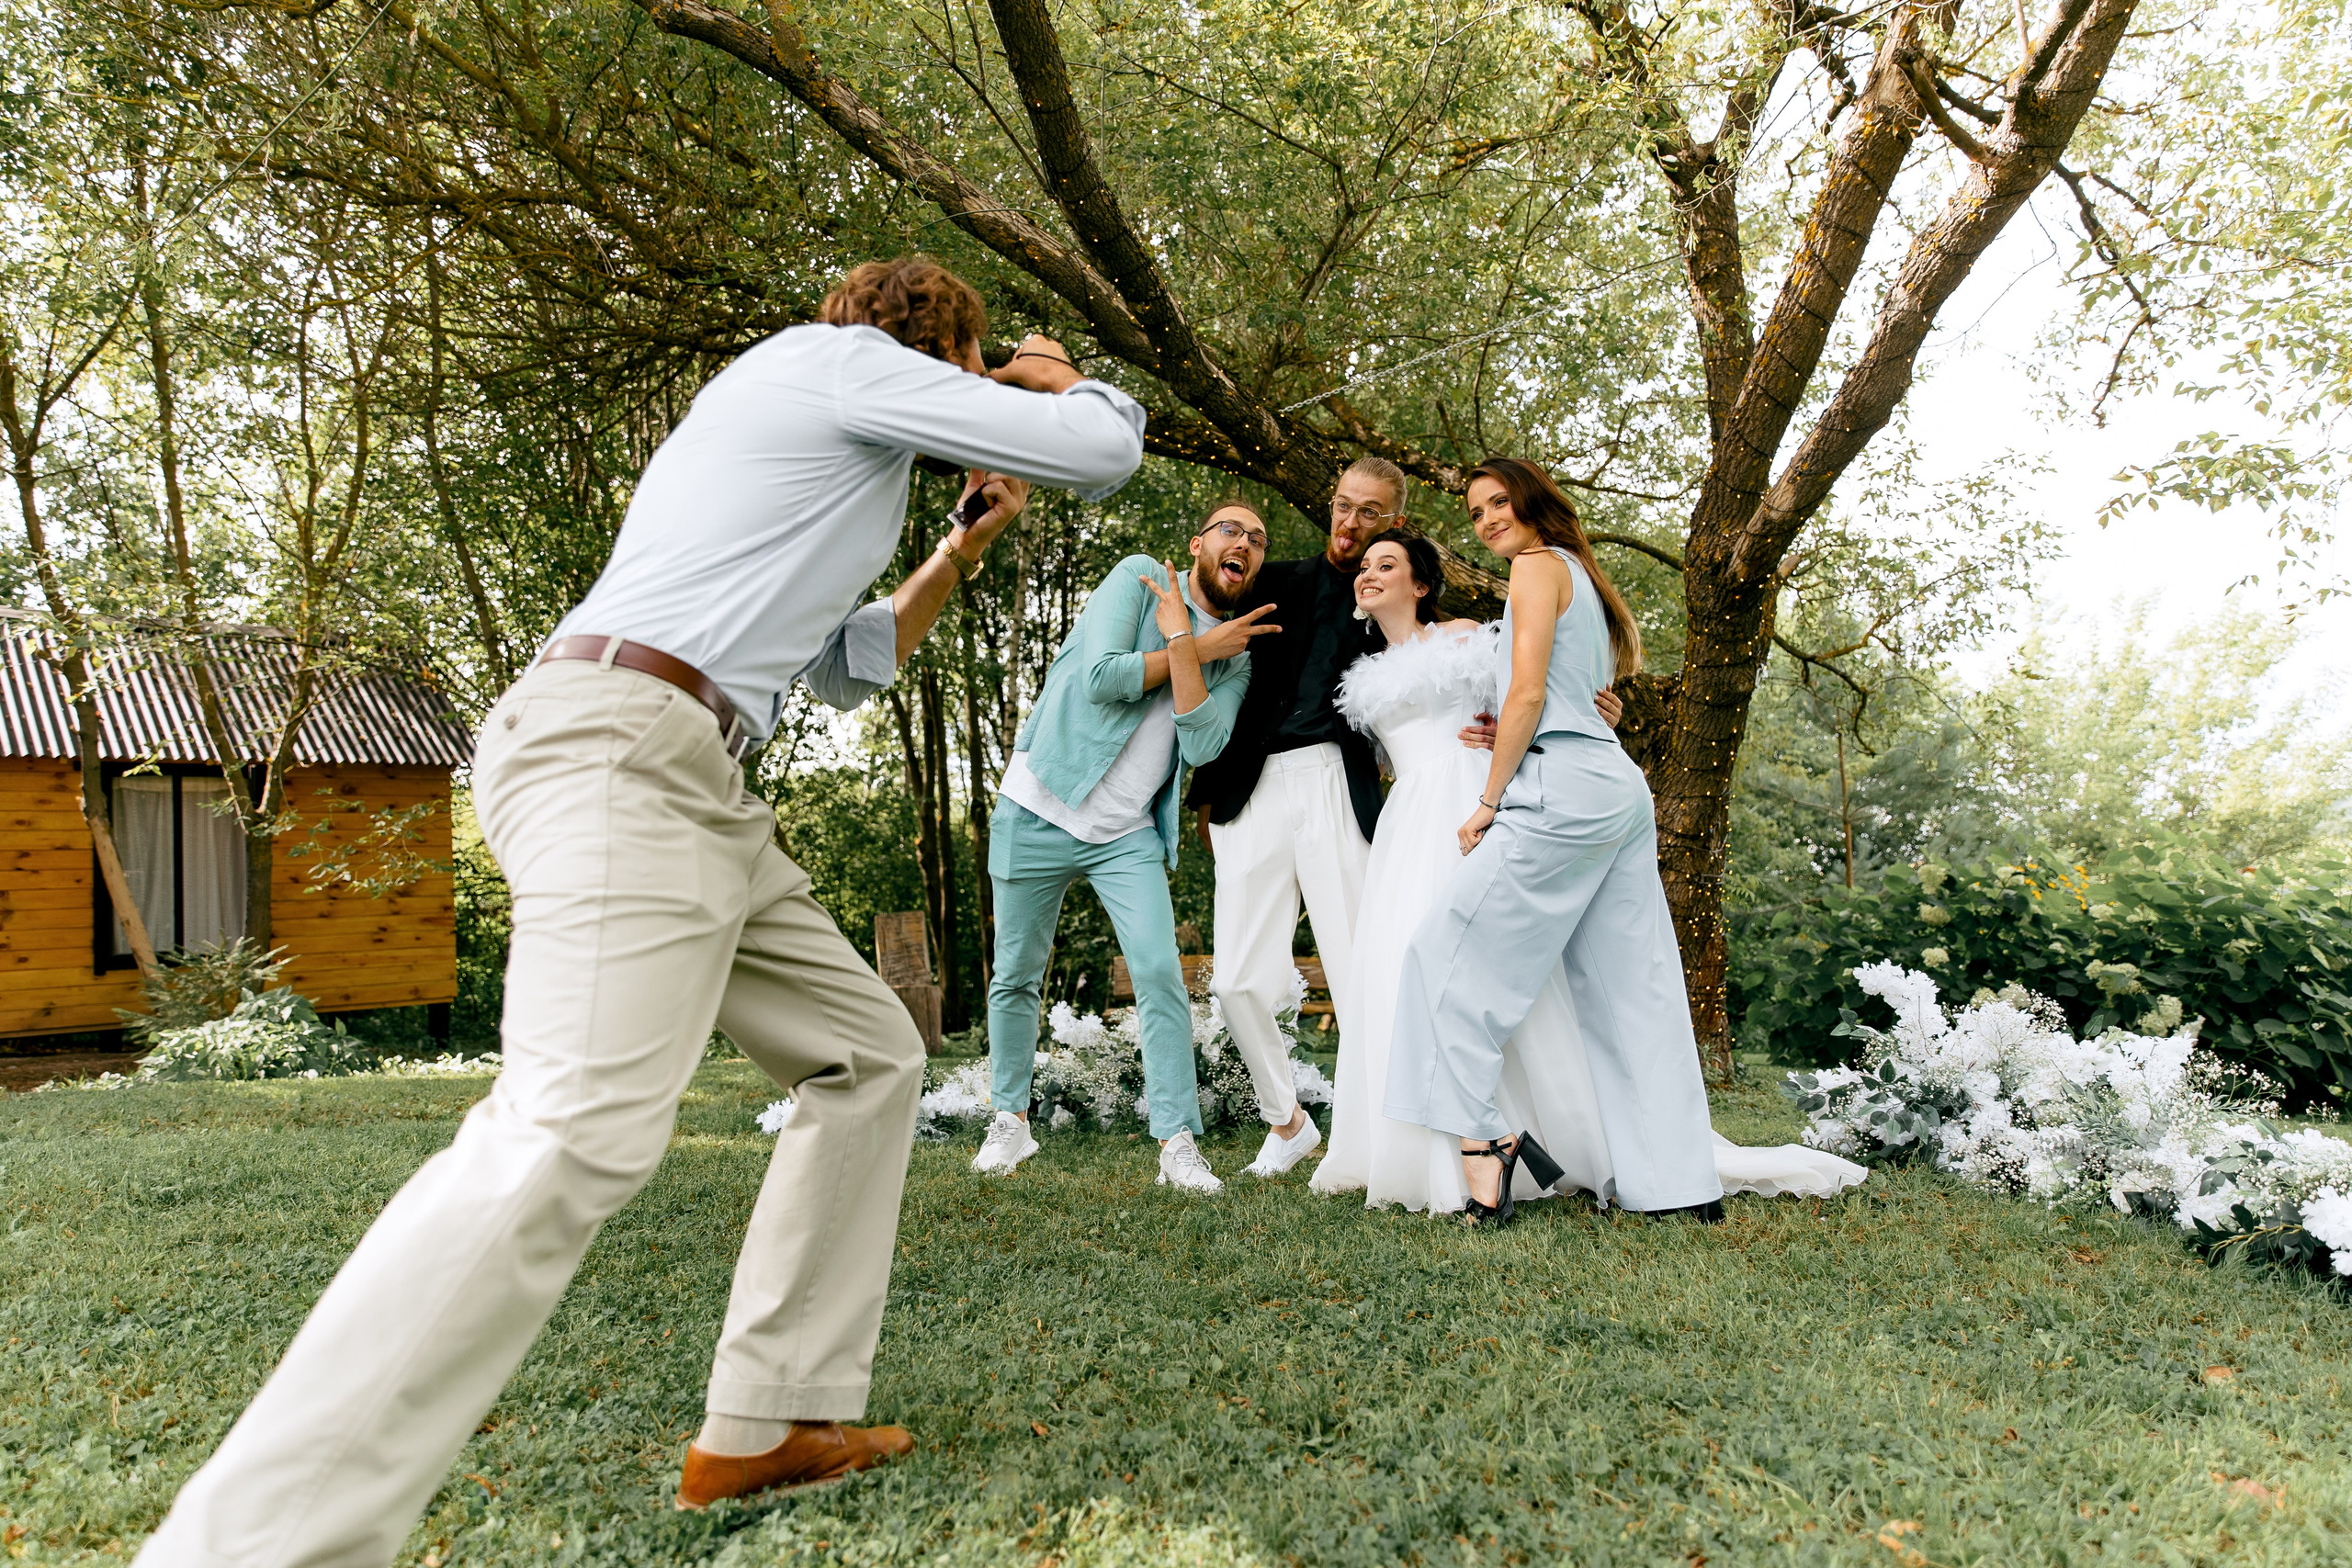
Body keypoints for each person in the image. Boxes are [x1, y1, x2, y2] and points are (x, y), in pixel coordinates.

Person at [134, 257, 1145, 1567]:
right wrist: (1059, 379)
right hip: (626, 747)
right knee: (569, 1133)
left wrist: (959, 544)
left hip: (690, 771)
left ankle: (768, 1415)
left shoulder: (824, 447)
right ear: (935, 349)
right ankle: (246, 1546)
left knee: (872, 1051)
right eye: (967, 364)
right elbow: (1101, 446)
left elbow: (853, 662)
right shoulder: (830, 362)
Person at [1314, 531, 1868, 1211]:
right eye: (1364, 567)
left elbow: (1543, 681)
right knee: (1405, 966)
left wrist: (1598, 708)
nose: (1368, 574)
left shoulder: (1464, 637)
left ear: (1421, 584)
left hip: (1476, 799)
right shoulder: (1359, 672)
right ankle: (1418, 1152)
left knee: (1509, 975)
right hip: (1408, 825)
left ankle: (1548, 1136)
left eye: (1387, 564)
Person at [1385, 457, 1725, 1229]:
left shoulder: (1537, 568)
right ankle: (1677, 1186)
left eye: (1498, 502)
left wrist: (1487, 799)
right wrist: (1514, 727)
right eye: (1475, 513)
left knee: (1438, 954)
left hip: (1560, 794)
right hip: (1611, 788)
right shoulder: (1586, 578)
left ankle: (1486, 1146)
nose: (1487, 520)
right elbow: (1567, 698)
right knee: (1630, 991)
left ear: (1533, 501)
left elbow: (1530, 692)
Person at [970, 502, 1275, 1190]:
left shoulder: (1237, 658)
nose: (1245, 543)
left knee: (1160, 974)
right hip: (1038, 802)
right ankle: (1010, 1124)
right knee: (1016, 973)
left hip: (1126, 833)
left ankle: (1177, 1144)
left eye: (1257, 540)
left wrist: (1199, 650)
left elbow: (1201, 743)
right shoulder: (1140, 577)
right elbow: (1101, 678)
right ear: (1198, 543)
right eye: (1232, 529)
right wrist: (1190, 642)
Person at [1182, 458, 1404, 1180]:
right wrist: (1206, 798)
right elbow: (1212, 652)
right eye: (1344, 505)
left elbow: (1460, 660)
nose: (1350, 522)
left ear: (1389, 524)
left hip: (1338, 785)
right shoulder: (1275, 580)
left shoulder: (1393, 596)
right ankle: (1289, 1121)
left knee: (1357, 965)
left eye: (1369, 513)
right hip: (1253, 788)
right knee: (1236, 979)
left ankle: (1378, 1135)